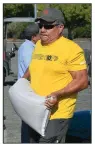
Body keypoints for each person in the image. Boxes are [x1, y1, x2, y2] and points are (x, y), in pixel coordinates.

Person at [23, 8, 88, 143]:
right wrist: (22, 81)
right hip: (34, 109)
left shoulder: (72, 49)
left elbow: (82, 81)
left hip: (56, 114)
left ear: (60, 28)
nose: (42, 30)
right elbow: (33, 65)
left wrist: (58, 94)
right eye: (40, 26)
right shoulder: (40, 44)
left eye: (48, 26)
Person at [18, 23, 40, 143]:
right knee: (28, 124)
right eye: (39, 35)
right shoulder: (28, 48)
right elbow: (31, 68)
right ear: (33, 37)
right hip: (27, 89)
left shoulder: (27, 46)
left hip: (27, 89)